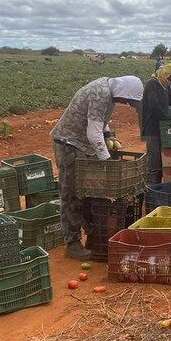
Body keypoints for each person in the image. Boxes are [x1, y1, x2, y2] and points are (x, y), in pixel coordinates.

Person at [51, 76, 144, 260]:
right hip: (69, 144)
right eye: (127, 100)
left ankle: (93, 237)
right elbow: (93, 133)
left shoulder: (108, 91)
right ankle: (72, 243)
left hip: (81, 145)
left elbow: (99, 119)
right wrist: (107, 161)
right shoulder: (100, 93)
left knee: (89, 192)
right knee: (71, 194)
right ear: (123, 91)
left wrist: (108, 134)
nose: (126, 103)